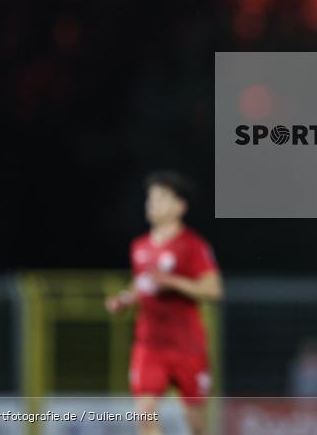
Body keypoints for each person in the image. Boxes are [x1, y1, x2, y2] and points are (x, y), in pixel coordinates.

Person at [105, 171, 223, 435]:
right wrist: (124, 299)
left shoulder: (193, 246)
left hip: (187, 346)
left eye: (160, 198)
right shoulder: (139, 246)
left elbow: (214, 290)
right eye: (150, 198)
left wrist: (175, 282)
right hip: (149, 345)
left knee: (196, 423)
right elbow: (143, 284)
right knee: (145, 413)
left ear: (180, 206)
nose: (152, 203)